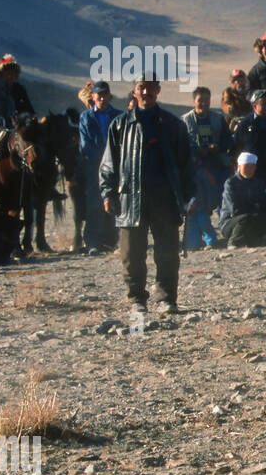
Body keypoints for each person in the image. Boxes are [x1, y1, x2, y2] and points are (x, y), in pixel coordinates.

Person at [99, 76, 194, 314]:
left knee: (168, 252)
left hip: (165, 199)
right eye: (141, 88)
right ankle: (137, 299)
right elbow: (109, 164)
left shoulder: (173, 125)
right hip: (130, 198)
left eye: (151, 88)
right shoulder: (119, 126)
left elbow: (186, 166)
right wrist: (108, 193)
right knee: (131, 254)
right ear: (134, 91)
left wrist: (189, 196)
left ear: (158, 91)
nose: (146, 92)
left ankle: (166, 299)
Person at [181, 86, 231, 250]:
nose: (203, 103)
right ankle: (202, 239)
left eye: (207, 100)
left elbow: (227, 140)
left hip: (217, 164)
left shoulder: (218, 118)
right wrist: (197, 150)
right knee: (199, 204)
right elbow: (181, 144)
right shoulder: (184, 120)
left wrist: (217, 147)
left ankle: (225, 231)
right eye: (200, 100)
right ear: (193, 101)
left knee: (220, 199)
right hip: (195, 167)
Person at [77, 80, 122, 254]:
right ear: (93, 97)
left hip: (116, 166)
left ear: (109, 96)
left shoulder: (119, 116)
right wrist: (103, 161)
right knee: (94, 204)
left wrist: (115, 161)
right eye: (99, 95)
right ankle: (92, 242)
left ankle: (115, 240)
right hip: (94, 166)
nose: (102, 98)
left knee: (117, 203)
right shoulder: (86, 117)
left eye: (105, 94)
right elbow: (85, 144)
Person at [219, 152, 266, 248]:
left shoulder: (257, 183)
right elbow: (234, 209)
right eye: (247, 166)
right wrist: (253, 209)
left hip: (251, 219)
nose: (249, 169)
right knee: (244, 218)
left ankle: (262, 239)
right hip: (230, 222)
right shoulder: (231, 183)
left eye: (252, 166)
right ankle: (234, 243)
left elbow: (263, 204)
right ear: (239, 166)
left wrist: (255, 209)